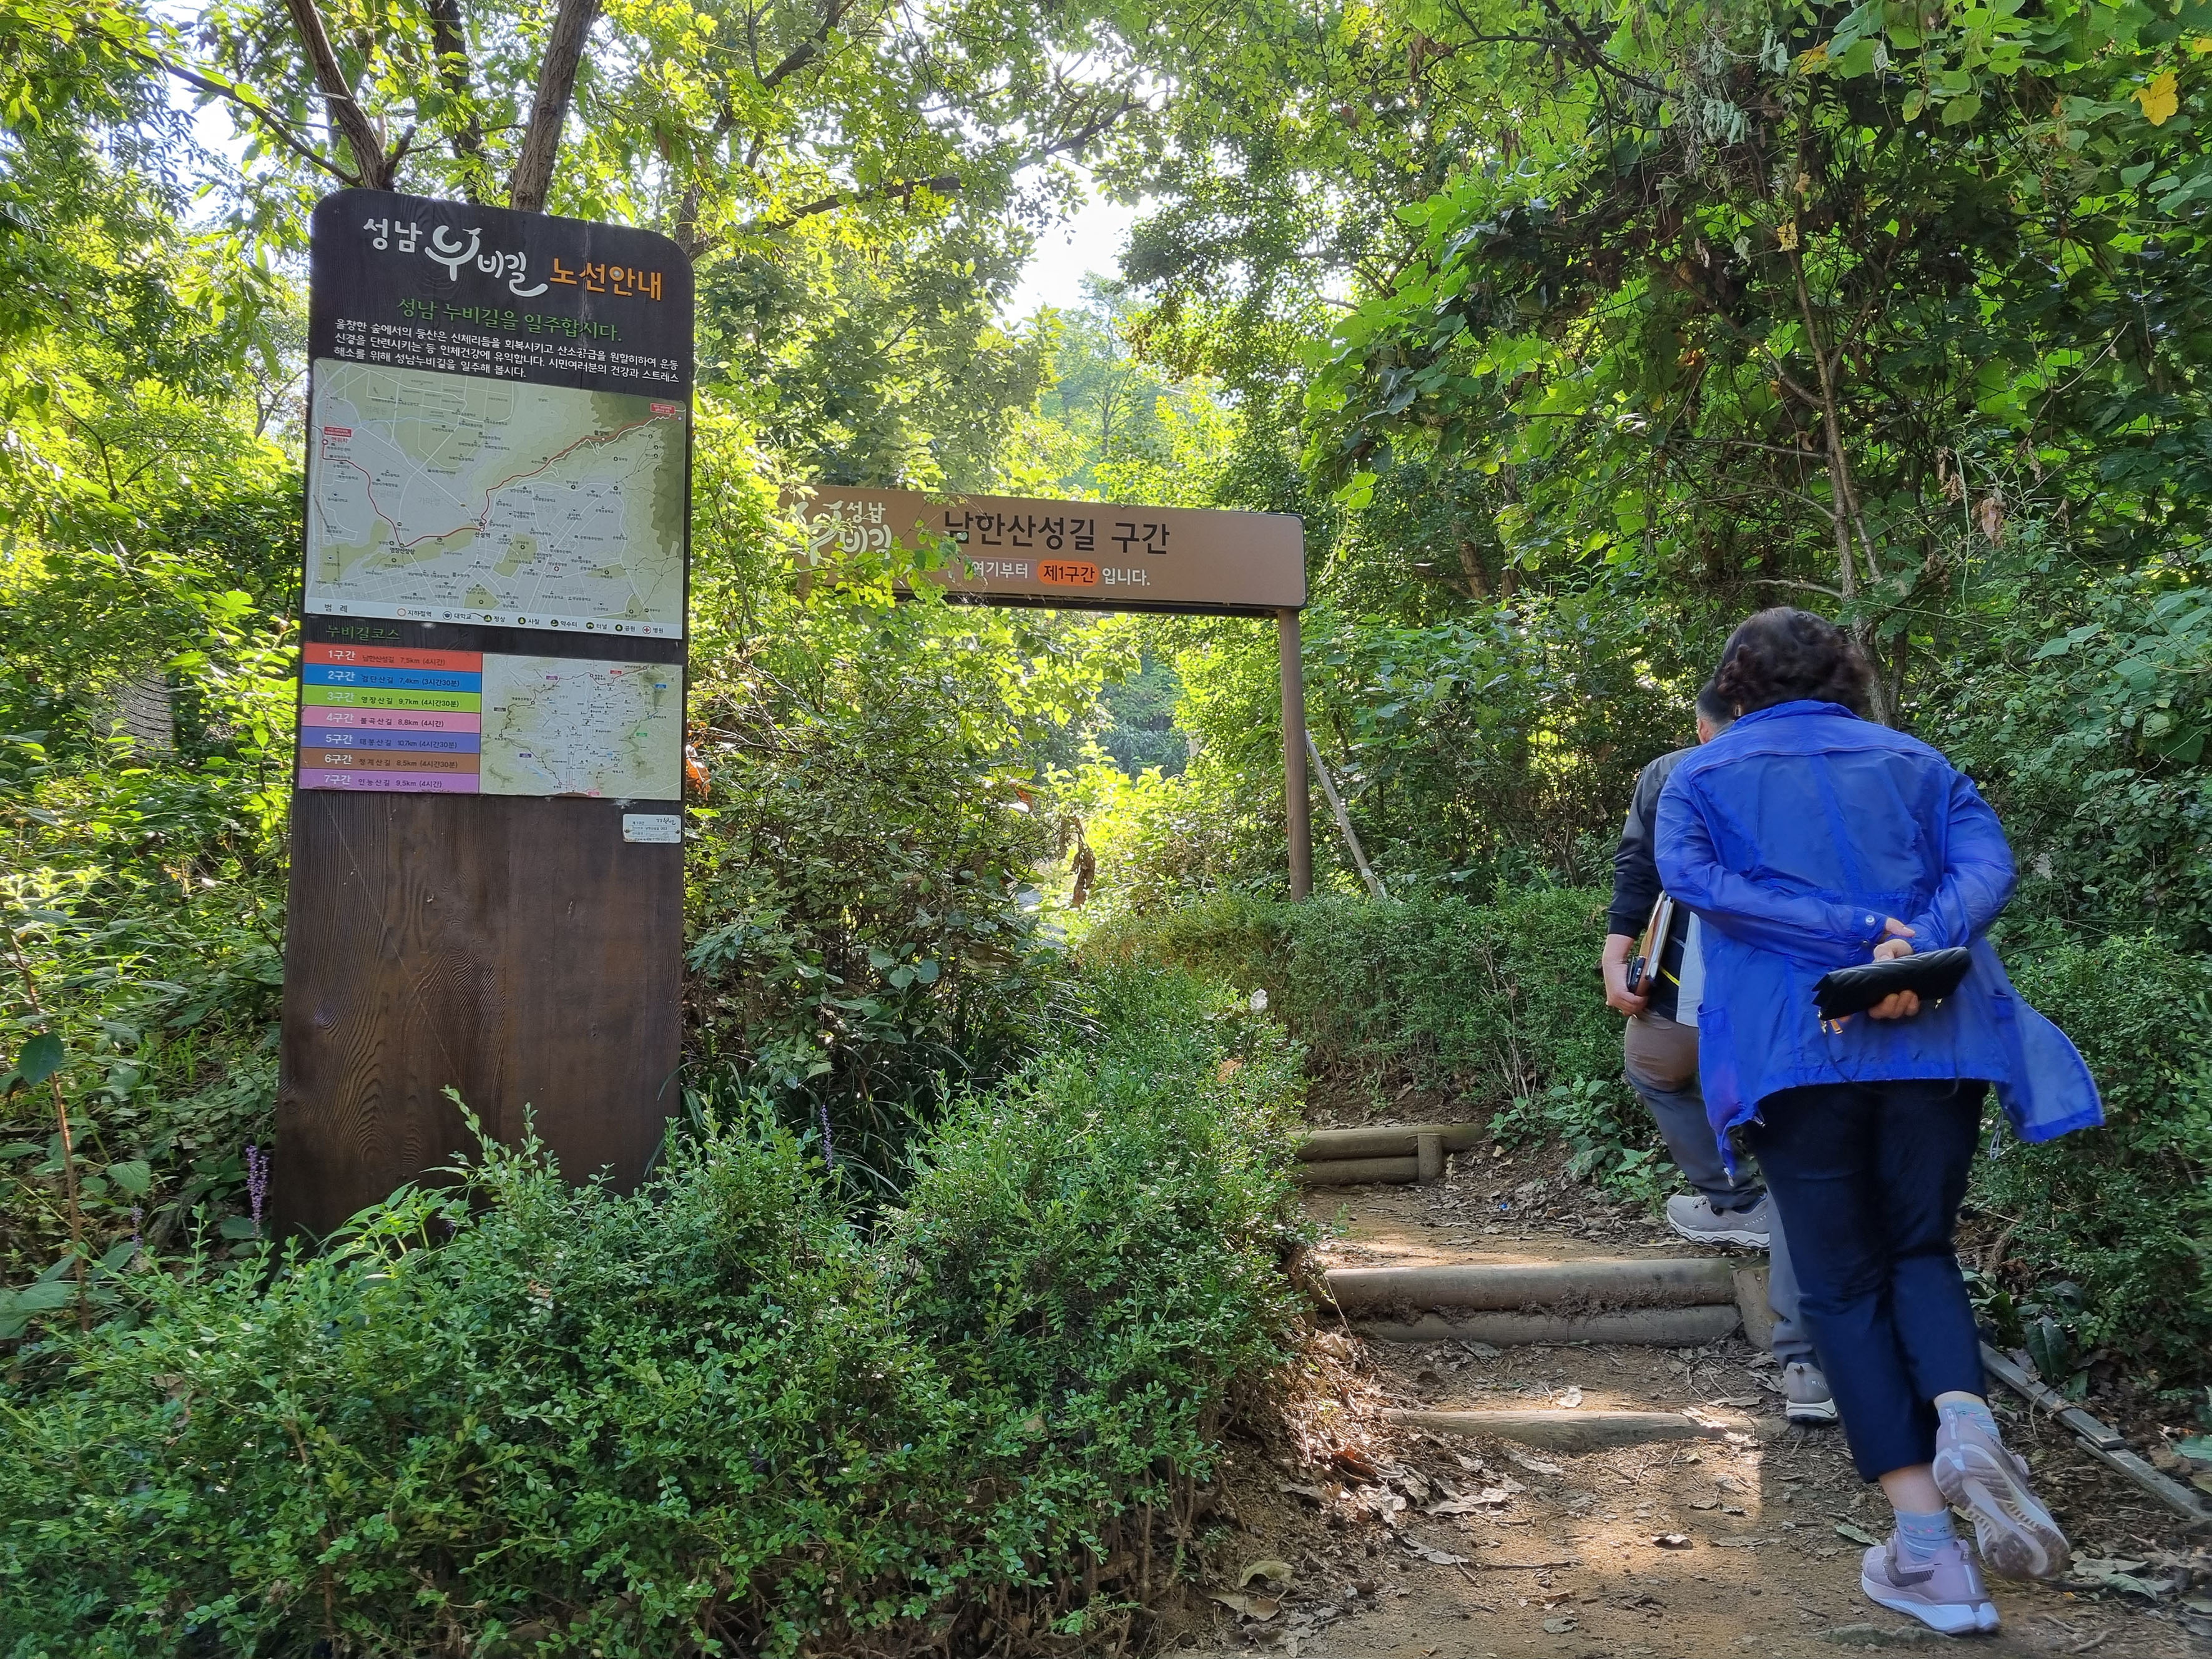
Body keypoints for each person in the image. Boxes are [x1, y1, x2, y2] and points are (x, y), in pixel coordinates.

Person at [1655, 608, 2101, 1637]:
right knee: (1918, 1250)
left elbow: (1693, 882)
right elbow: (1983, 869)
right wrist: (1908, 944)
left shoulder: (1703, 774)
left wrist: (1855, 942)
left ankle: (1928, 1554)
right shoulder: (1918, 759)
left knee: (1842, 1286)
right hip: (1936, 1039)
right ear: (1845, 673)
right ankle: (1962, 1418)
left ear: (1734, 683)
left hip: (1791, 1047)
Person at [1603, 681, 1836, 1425]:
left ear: (1705, 728)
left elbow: (1640, 867)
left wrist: (1618, 952)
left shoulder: (1673, 772)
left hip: (1705, 988)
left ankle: (1735, 1200)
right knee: (1805, 1153)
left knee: (1657, 1064)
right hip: (1810, 997)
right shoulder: (1831, 767)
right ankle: (1809, 1361)